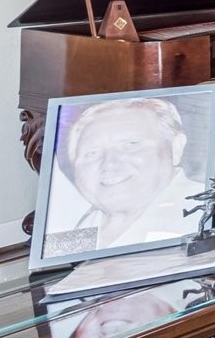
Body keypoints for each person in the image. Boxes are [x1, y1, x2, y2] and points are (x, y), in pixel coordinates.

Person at [44, 97, 206, 257]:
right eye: (91, 153)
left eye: (131, 144)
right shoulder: (75, 225)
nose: (110, 164)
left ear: (176, 147)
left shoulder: (206, 215)